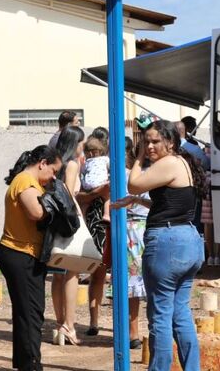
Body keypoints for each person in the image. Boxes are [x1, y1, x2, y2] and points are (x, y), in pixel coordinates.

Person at [127, 119, 205, 371]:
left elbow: (134, 183)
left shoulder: (168, 163)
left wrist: (136, 158)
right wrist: (142, 204)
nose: (148, 146)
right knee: (180, 315)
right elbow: (174, 203)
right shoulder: (182, 163)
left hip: (167, 244)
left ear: (170, 143)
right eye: (145, 141)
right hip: (189, 241)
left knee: (160, 316)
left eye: (154, 141)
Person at [0, 145, 64, 371]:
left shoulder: (27, 181)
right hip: (19, 253)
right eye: (54, 171)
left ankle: (22, 368)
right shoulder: (25, 180)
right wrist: (55, 207)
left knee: (26, 313)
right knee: (31, 313)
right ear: (42, 163)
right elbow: (36, 212)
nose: (54, 177)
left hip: (23, 254)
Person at [110, 137, 149, 349]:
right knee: (132, 283)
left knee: (135, 282)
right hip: (135, 229)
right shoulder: (130, 175)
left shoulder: (129, 174)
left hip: (138, 230)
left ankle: (134, 331)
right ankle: (133, 331)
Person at [50, 125, 85, 346]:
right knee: (72, 273)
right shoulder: (72, 164)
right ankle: (69, 325)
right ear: (75, 143)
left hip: (54, 222)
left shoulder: (55, 163)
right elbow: (68, 195)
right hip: (69, 222)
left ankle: (59, 323)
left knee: (57, 275)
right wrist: (79, 217)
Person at [77, 131, 111, 337]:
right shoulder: (86, 170)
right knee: (97, 274)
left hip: (102, 224)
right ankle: (94, 321)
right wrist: (97, 193)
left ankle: (99, 322)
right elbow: (79, 196)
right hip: (97, 225)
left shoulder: (97, 168)